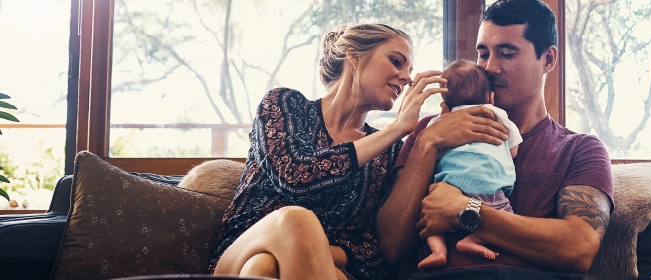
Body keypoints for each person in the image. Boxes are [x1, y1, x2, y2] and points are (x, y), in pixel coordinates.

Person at [208, 23, 473, 280]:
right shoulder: (284, 106)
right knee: (295, 221)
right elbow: (296, 178)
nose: (406, 78)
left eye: (409, 69)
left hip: (327, 268)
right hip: (241, 252)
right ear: (354, 58)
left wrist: (307, 247)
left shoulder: (389, 154)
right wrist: (396, 129)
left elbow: (379, 253)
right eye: (396, 61)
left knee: (263, 269)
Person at [377, 0, 615, 279]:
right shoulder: (432, 129)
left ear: (548, 59)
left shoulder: (580, 149)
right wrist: (429, 143)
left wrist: (466, 210)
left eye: (506, 54)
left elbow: (579, 248)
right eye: (483, 54)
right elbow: (392, 245)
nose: (490, 67)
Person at [417, 59, 523, 270]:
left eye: (507, 54)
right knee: (506, 220)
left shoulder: (437, 122)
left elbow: (431, 156)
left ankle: (438, 250)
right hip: (490, 187)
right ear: (489, 97)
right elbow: (513, 149)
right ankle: (472, 240)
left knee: (431, 217)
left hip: (448, 186)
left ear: (445, 103)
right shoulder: (496, 114)